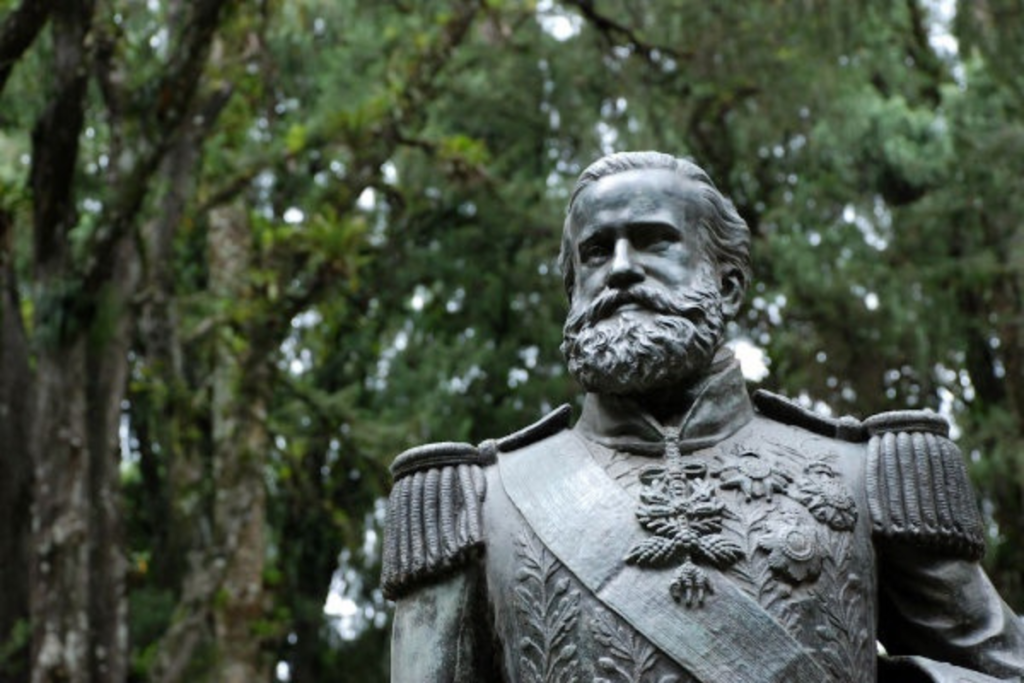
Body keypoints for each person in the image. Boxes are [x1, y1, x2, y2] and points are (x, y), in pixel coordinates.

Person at [381, 151, 1024, 682]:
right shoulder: (477, 502)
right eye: (596, 252)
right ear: (572, 292)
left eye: (655, 241)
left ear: (729, 285)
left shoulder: (863, 474)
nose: (621, 269)